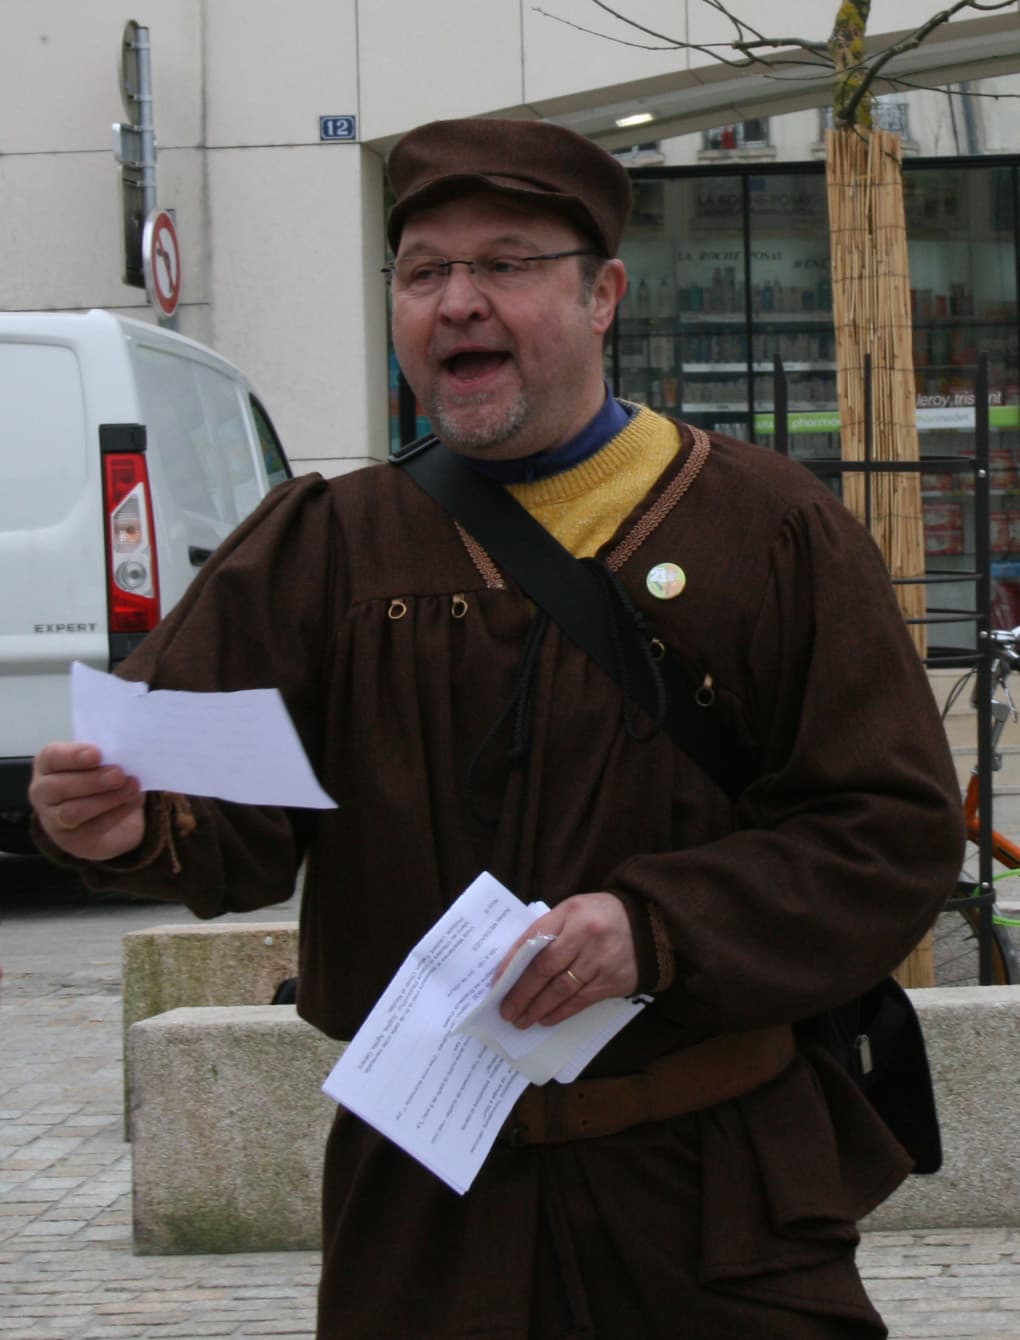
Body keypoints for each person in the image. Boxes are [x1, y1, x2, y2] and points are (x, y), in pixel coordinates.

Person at [30, 116, 963, 1339]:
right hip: (425, 1208)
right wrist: (114, 821)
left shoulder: (773, 530)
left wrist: (655, 926)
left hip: (720, 1205)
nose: (458, 301)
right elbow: (225, 824)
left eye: (507, 262)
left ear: (602, 294)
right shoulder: (323, 546)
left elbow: (890, 834)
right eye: (424, 272)